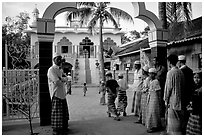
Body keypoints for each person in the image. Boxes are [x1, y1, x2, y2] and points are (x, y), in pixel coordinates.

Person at [47, 53, 69, 135]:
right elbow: (57, 82)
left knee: (63, 113)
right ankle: (57, 130)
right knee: (57, 113)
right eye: (57, 59)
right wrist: (63, 79)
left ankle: (63, 127)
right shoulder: (51, 70)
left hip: (62, 93)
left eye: (60, 58)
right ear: (54, 60)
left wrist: (62, 79)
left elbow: (66, 78)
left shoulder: (60, 70)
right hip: (56, 94)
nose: (59, 60)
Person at [164, 54, 185, 135]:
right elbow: (183, 86)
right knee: (179, 120)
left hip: (172, 100)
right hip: (180, 99)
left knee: (173, 123)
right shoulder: (180, 72)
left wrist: (166, 99)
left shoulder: (170, 73)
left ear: (169, 62)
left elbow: (168, 88)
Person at [177, 55, 194, 134]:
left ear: (180, 62)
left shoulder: (180, 71)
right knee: (187, 111)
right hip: (189, 93)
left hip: (182, 94)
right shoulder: (190, 70)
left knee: (182, 112)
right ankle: (187, 127)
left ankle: (183, 129)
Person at [145, 68, 162, 133]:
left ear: (154, 74)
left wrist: (159, 100)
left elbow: (158, 91)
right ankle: (153, 125)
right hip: (150, 97)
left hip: (155, 98)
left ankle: (155, 126)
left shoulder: (156, 81)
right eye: (149, 74)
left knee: (154, 112)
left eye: (151, 74)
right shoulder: (150, 81)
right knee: (150, 111)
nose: (150, 75)